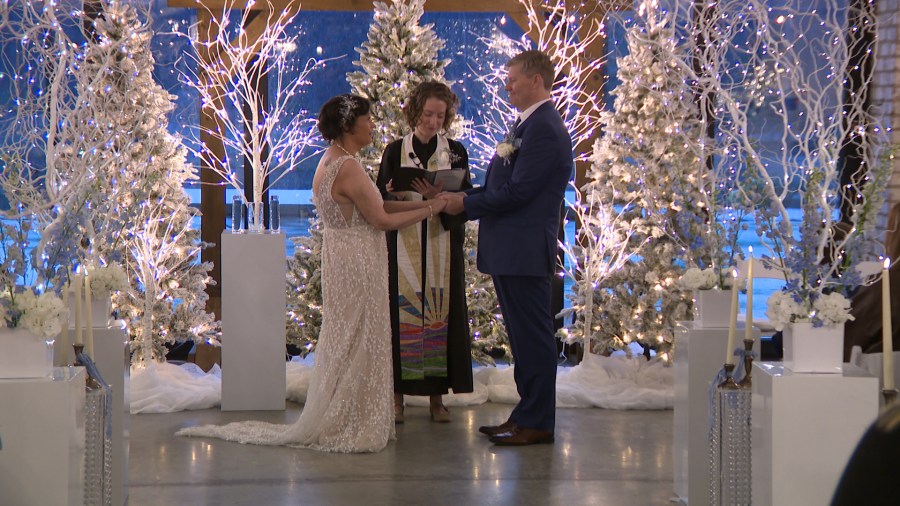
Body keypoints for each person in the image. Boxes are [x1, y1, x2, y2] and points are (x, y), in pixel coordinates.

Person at [177, 94, 446, 453]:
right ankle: (352, 420)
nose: (372, 125)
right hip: (358, 260)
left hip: (341, 256)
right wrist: (431, 210)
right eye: (367, 119)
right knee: (360, 336)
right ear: (349, 125)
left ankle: (345, 412)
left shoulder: (330, 159)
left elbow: (376, 205)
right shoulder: (348, 166)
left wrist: (422, 203)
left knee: (346, 335)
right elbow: (381, 219)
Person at [441, 50, 572, 445]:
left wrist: (465, 205)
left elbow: (519, 193)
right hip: (513, 249)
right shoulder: (527, 124)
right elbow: (504, 186)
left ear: (536, 80)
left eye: (512, 79)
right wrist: (462, 196)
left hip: (524, 250)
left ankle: (537, 422)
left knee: (533, 338)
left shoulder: (544, 128)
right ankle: (525, 415)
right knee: (522, 339)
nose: (507, 86)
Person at [376, 81, 474, 423]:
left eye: (440, 116)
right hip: (403, 244)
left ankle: (437, 399)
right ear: (415, 111)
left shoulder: (456, 152)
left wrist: (442, 197)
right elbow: (380, 197)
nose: (433, 122)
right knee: (399, 317)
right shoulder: (395, 151)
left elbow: (467, 199)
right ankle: (397, 398)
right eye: (428, 114)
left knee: (440, 315)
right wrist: (394, 194)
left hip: (441, 242)